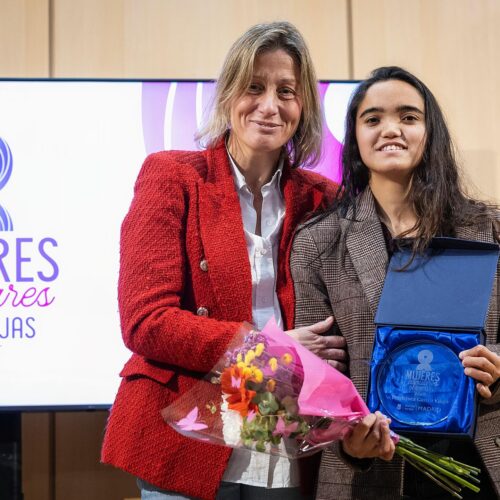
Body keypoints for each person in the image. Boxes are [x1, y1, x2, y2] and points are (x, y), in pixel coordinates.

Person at [101, 21, 347, 500]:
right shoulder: (172, 176)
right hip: (186, 429)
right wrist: (269, 353)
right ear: (229, 94)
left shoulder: (324, 198)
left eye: (286, 91)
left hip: (287, 437)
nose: (269, 105)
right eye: (254, 87)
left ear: (304, 106)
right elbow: (146, 321)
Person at [291, 66, 500, 499]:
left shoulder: (490, 229)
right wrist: (348, 438)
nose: (391, 129)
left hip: (480, 464)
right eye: (373, 118)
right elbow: (317, 373)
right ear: (355, 137)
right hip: (368, 475)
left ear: (430, 131)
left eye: (408, 117)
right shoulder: (318, 241)